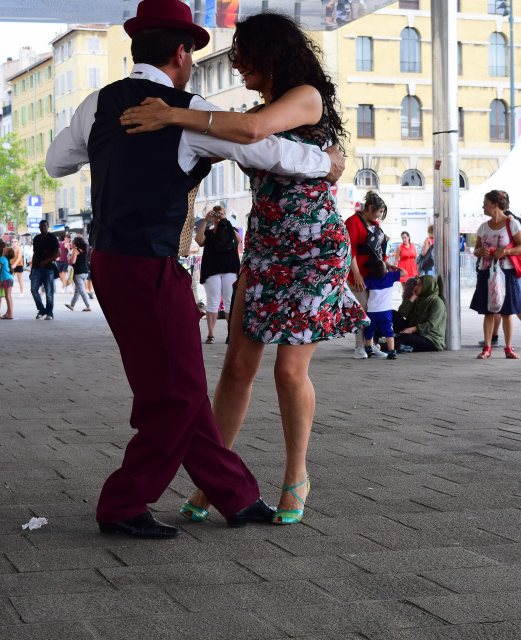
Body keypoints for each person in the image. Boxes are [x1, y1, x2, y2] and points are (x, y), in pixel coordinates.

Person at [46, 0, 345, 538]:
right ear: (182, 53)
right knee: (177, 395)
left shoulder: (98, 103)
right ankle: (123, 503)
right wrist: (327, 163)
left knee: (172, 385)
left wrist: (112, 149)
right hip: (152, 266)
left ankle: (235, 494)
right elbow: (267, 151)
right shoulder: (190, 112)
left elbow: (57, 163)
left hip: (109, 264)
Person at [121, 10, 367, 525]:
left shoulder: (305, 98)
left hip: (312, 250)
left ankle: (296, 474)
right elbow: (236, 131)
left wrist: (172, 113)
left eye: (241, 55)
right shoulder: (257, 108)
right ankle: (218, 481)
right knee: (236, 368)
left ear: (269, 52)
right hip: (264, 247)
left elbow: (252, 130)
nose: (235, 64)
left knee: (287, 369)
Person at [470, 190, 521, 359]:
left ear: (495, 204)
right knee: (488, 311)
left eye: (486, 203)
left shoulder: (512, 224)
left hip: (507, 272)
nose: (483, 207)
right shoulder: (483, 227)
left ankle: (508, 348)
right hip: (486, 272)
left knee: (507, 311)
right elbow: (476, 251)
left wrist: (505, 251)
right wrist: (481, 251)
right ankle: (487, 347)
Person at [345, 191, 388, 359]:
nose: (380, 216)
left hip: (373, 276)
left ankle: (371, 345)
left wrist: (388, 265)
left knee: (373, 311)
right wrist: (356, 274)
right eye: (380, 212)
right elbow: (350, 251)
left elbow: (378, 250)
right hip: (358, 275)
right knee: (361, 310)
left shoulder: (374, 223)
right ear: (370, 208)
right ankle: (359, 346)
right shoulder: (353, 222)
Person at [195, 205, 240, 343]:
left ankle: (230, 334)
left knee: (229, 302)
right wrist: (205, 220)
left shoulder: (231, 230)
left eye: (220, 213)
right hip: (212, 269)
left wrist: (226, 221)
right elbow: (199, 240)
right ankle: (210, 334)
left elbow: (238, 240)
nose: (217, 216)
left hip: (230, 268)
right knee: (212, 301)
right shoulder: (209, 232)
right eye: (215, 214)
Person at [364, 260, 406, 359]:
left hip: (372, 311)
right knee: (388, 332)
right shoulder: (390, 276)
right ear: (386, 271)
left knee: (369, 330)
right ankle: (391, 351)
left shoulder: (370, 278)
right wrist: (394, 268)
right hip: (385, 311)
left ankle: (368, 348)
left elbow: (363, 287)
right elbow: (405, 273)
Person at [392, 274, 447, 352]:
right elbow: (401, 312)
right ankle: (374, 339)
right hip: (415, 333)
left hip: (430, 339)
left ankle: (380, 346)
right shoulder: (419, 299)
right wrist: (413, 297)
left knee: (406, 338)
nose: (416, 287)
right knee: (392, 314)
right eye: (416, 284)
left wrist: (412, 329)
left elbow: (431, 324)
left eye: (419, 285)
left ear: (427, 286)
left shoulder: (437, 302)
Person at [30, 220, 60, 320]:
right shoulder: (37, 238)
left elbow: (58, 253)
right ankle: (41, 309)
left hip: (49, 268)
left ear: (47, 227)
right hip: (37, 268)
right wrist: (32, 270)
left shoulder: (52, 237)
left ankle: (49, 313)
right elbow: (34, 254)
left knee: (49, 292)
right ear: (39, 227)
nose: (43, 227)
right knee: (33, 289)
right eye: (41, 226)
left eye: (45, 225)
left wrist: (46, 261)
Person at [64, 236, 92, 312]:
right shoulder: (84, 249)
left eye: (72, 242)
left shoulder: (75, 250)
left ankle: (88, 306)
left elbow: (73, 262)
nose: (71, 244)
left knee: (82, 290)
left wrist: (70, 257)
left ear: (75, 243)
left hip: (78, 273)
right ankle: (72, 305)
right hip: (85, 272)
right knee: (77, 290)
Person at [0, 246, 15, 319]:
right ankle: (9, 312)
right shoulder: (7, 260)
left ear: (6, 252)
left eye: (7, 248)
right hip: (10, 278)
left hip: (5, 279)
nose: (5, 247)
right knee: (9, 297)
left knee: (7, 297)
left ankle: (10, 314)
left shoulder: (1, 259)